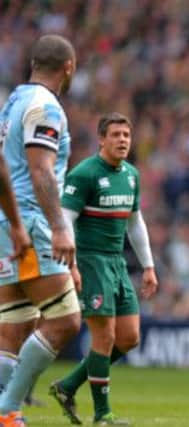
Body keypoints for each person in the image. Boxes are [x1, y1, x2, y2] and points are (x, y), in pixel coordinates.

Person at [49, 112, 158, 426]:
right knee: (104, 336)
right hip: (90, 259)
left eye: (126, 134)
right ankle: (102, 414)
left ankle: (67, 385)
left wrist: (149, 266)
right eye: (115, 135)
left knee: (130, 337)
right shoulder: (84, 174)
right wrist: (71, 265)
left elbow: (135, 223)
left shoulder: (132, 175)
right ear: (101, 139)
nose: (123, 140)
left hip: (117, 262)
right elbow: (65, 220)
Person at [0, 34, 81, 427]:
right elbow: (40, 170)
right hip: (30, 223)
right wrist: (59, 227)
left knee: (14, 325)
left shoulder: (13, 102)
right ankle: (6, 411)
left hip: (7, 223)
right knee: (65, 320)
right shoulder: (45, 107)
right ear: (69, 67)